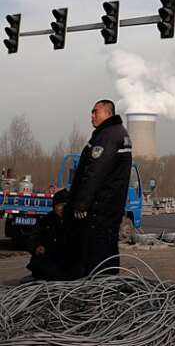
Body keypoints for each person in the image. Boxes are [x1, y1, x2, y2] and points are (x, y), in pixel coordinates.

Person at [65, 100, 132, 278]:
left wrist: (81, 203)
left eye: (96, 112)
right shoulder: (118, 133)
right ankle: (108, 289)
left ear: (108, 114)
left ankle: (96, 292)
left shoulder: (107, 136)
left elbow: (95, 172)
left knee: (96, 253)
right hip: (111, 207)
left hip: (99, 208)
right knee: (109, 249)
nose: (92, 116)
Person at [26, 189, 71, 281]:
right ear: (54, 207)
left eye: (65, 205)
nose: (63, 208)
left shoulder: (75, 222)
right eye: (60, 205)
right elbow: (34, 237)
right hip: (50, 258)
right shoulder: (45, 221)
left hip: (69, 260)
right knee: (39, 263)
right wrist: (36, 247)